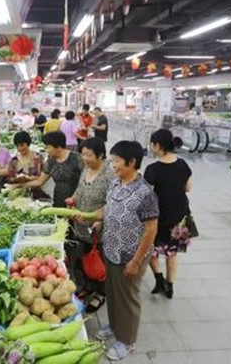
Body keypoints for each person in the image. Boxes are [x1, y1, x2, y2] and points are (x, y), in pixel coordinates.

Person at [79, 140, 158, 361]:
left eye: (116, 161)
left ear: (132, 162)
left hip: (131, 254)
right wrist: (92, 218)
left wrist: (136, 261)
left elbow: (151, 230)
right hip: (111, 248)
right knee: (113, 292)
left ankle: (128, 340)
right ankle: (115, 326)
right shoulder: (116, 183)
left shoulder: (145, 193)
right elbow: (108, 208)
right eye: (112, 160)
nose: (112, 165)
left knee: (128, 297)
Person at [65, 138, 115, 313]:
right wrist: (73, 198)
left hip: (99, 228)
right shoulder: (86, 168)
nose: (85, 158)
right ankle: (87, 286)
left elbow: (113, 201)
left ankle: (101, 293)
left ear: (101, 155)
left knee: (98, 262)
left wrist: (99, 219)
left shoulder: (110, 174)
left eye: (89, 155)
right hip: (81, 224)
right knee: (82, 258)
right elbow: (80, 189)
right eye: (83, 154)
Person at [144, 129, 193, 299]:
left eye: (152, 143)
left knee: (150, 249)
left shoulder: (153, 169)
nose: (151, 147)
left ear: (158, 145)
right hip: (179, 215)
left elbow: (147, 196)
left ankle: (159, 279)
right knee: (172, 252)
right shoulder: (183, 164)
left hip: (159, 216)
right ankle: (170, 286)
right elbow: (188, 188)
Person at [19, 131, 83, 207]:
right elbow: (40, 181)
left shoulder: (76, 158)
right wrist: (21, 185)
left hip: (77, 199)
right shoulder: (51, 162)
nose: (46, 150)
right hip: (59, 197)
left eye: (48, 147)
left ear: (58, 146)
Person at [7, 131, 48, 199]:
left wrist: (29, 178)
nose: (20, 148)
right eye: (17, 146)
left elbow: (43, 177)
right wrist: (17, 179)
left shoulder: (37, 158)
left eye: (22, 145)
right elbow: (10, 178)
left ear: (28, 143)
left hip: (36, 192)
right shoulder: (14, 161)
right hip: (18, 193)